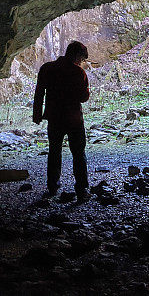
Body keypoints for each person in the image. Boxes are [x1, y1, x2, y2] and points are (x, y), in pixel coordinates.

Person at [33, 41, 91, 203]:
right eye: (81, 58)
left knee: (54, 152)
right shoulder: (79, 73)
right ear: (77, 56)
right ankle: (81, 189)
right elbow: (84, 98)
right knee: (78, 154)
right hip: (73, 119)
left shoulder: (47, 68)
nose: (81, 62)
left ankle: (52, 187)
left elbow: (39, 93)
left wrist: (37, 114)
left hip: (54, 118)